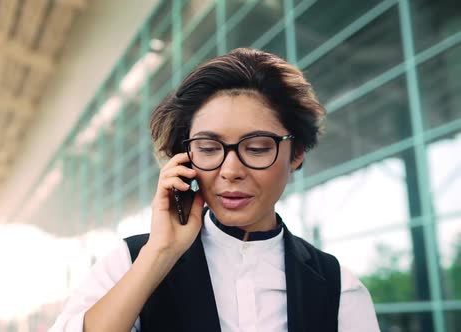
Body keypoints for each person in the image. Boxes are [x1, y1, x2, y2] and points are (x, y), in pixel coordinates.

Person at [49, 48, 380, 332]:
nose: (231, 171)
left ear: (296, 154)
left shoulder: (338, 289)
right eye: (208, 149)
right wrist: (159, 255)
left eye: (257, 148)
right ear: (185, 158)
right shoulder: (131, 263)